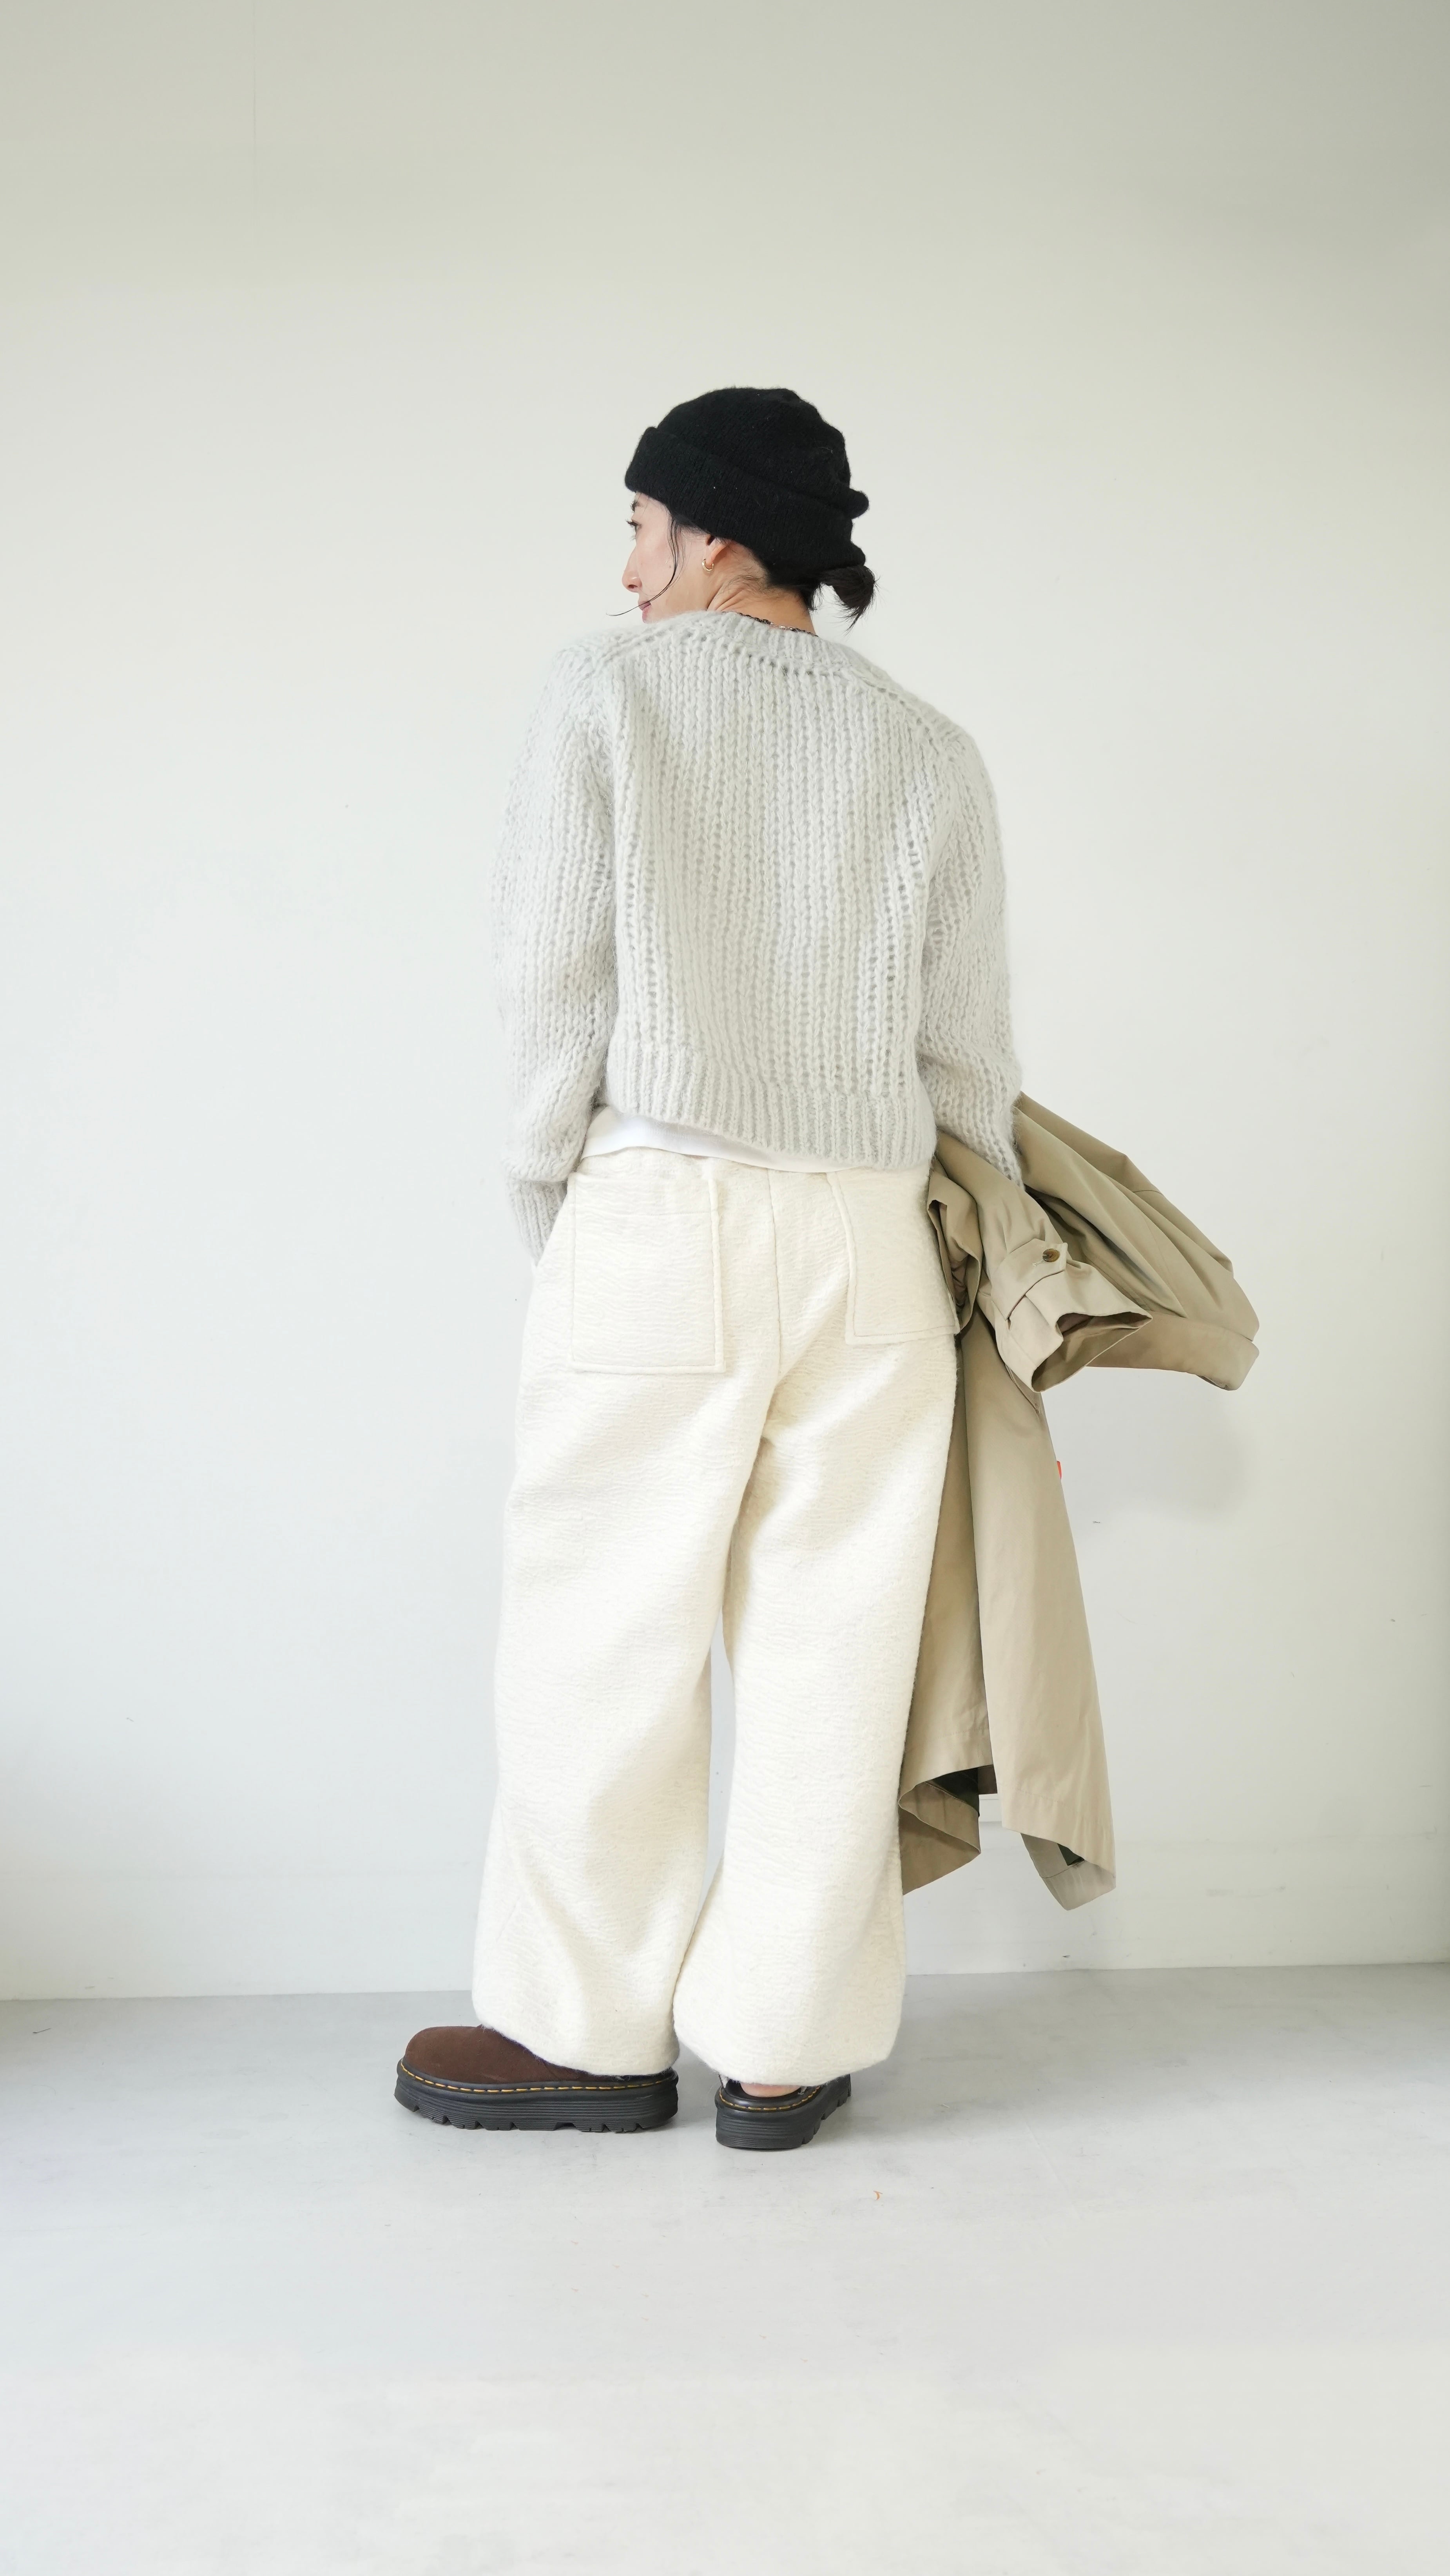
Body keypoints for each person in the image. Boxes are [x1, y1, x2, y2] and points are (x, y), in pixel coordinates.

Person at [395, 386, 1022, 2151]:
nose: (626, 572)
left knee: (602, 1636)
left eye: (641, 530)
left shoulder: (605, 695)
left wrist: (560, 1197)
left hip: (662, 1210)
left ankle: (587, 2037)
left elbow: (551, 984)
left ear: (717, 535)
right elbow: (968, 1059)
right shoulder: (929, 748)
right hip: (873, 1239)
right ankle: (783, 2045)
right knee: (838, 1645)